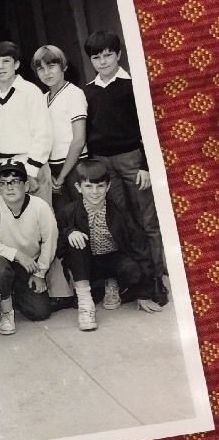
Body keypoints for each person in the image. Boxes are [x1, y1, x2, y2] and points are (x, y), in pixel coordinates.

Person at [82, 30, 168, 306]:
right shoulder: (89, 91)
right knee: (122, 224)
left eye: (108, 55)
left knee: (148, 222)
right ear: (91, 60)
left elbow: (149, 128)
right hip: (105, 165)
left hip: (132, 160)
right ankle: (136, 282)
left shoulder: (133, 85)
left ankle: (156, 283)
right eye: (97, 57)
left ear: (118, 55)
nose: (103, 61)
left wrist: (145, 165)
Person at [57, 159, 162, 330]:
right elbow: (59, 248)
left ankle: (112, 283)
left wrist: (144, 293)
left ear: (108, 187)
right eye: (89, 187)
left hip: (112, 260)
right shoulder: (68, 211)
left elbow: (140, 247)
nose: (95, 192)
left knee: (132, 269)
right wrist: (69, 232)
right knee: (77, 242)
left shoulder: (119, 212)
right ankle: (86, 303)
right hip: (86, 264)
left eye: (100, 186)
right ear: (78, 188)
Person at [0, 162, 58, 335]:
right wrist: (16, 254)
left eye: (14, 181)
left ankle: (13, 291)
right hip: (0, 261)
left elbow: (50, 242)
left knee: (40, 312)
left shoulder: (40, 207)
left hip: (28, 264)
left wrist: (40, 274)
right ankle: (6, 310)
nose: (9, 187)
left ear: (26, 185)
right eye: (3, 183)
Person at [0, 41, 53, 206]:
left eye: (6, 61)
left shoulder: (30, 91)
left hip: (32, 166)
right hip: (5, 170)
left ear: (16, 64)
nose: (1, 67)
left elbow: (43, 134)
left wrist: (31, 171)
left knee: (41, 220)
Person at [31, 45, 87, 210]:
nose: (46, 72)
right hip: (51, 168)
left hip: (74, 166)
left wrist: (62, 176)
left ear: (64, 66)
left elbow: (79, 140)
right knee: (64, 220)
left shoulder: (74, 94)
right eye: (41, 69)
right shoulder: (42, 98)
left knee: (81, 214)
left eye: (51, 66)